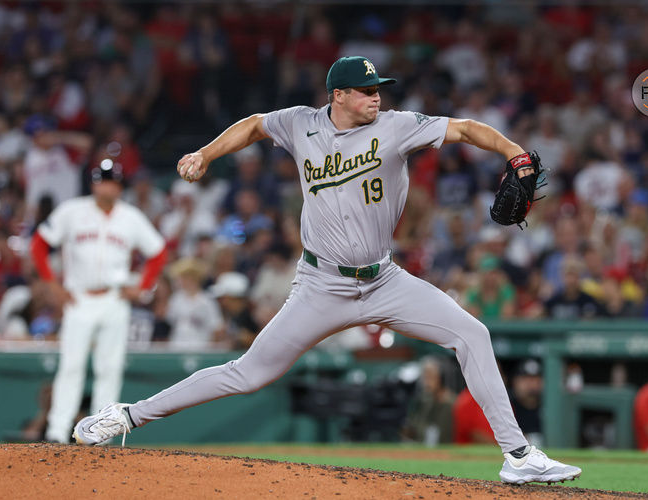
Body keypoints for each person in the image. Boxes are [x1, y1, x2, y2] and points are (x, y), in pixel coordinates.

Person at [73, 55, 580, 485]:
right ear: (338, 95)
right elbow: (252, 124)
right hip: (320, 284)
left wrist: (513, 153)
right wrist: (205, 153)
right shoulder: (300, 123)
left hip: (384, 280)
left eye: (378, 89)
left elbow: (467, 128)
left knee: (472, 334)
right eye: (365, 91)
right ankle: (126, 416)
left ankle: (519, 458)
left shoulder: (398, 127)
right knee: (248, 374)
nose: (376, 97)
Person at [29, 160, 167, 443]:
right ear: (93, 184)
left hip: (114, 299)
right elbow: (39, 244)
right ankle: (57, 432)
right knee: (71, 366)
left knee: (110, 368)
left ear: (119, 186)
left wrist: (141, 287)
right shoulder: (72, 211)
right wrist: (51, 284)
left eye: (114, 181)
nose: (108, 186)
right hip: (78, 299)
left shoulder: (130, 217)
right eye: (103, 180)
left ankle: (100, 435)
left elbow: (158, 251)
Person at [401, 357, 455, 445]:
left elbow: (443, 437)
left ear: (441, 378)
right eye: (424, 377)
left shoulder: (450, 403)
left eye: (430, 377)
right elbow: (414, 428)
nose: (426, 382)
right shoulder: (425, 400)